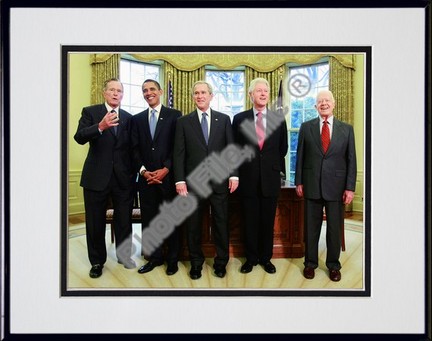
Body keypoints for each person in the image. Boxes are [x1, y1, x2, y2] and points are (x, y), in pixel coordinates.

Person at [173, 80, 238, 280]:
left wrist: (234, 174)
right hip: (193, 183)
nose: (200, 96)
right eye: (196, 93)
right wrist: (179, 180)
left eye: (203, 93)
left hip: (220, 182)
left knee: (221, 223)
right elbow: (179, 153)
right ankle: (196, 263)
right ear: (193, 97)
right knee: (193, 226)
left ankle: (221, 263)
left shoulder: (224, 119)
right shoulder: (183, 122)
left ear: (211, 96)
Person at [74, 78, 136, 279]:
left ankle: (124, 256)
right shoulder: (90, 112)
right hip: (96, 178)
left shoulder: (129, 118)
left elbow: (132, 149)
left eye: (119, 91)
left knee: (124, 220)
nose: (116, 93)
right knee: (95, 222)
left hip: (123, 179)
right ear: (104, 93)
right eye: (112, 90)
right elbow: (79, 137)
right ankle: (97, 262)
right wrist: (99, 127)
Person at [295, 89, 357, 282]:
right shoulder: (306, 127)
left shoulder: (346, 129)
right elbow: (300, 157)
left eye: (327, 100)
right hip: (311, 185)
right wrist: (299, 182)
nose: (324, 103)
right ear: (315, 106)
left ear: (334, 103)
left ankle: (333, 265)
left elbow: (351, 160)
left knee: (334, 230)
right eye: (320, 101)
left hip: (337, 188)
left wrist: (350, 187)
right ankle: (310, 264)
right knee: (311, 228)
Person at [232, 77, 288, 275]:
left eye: (266, 90)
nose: (263, 93)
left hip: (270, 180)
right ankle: (251, 258)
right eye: (259, 91)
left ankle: (266, 259)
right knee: (249, 222)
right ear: (250, 95)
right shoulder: (239, 119)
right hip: (247, 180)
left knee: (267, 222)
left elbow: (283, 148)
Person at [131, 79, 182, 276]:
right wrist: (143, 171)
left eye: (152, 89)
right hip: (146, 180)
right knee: (150, 221)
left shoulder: (174, 115)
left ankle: (172, 260)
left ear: (160, 92)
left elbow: (177, 147)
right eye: (144, 90)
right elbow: (133, 150)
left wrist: (166, 168)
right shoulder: (137, 119)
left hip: (168, 178)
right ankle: (155, 258)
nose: (148, 93)